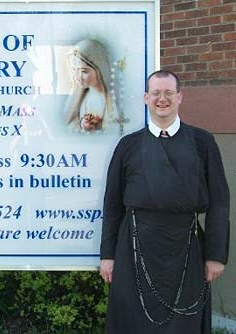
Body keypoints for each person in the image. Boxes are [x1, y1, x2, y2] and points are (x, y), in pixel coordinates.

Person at [99, 70, 230, 334]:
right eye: (156, 93)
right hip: (133, 245)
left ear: (180, 97)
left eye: (169, 93)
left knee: (184, 324)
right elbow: (112, 204)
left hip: (187, 245)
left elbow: (219, 202)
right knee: (132, 321)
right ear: (146, 98)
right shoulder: (128, 145)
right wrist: (108, 255)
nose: (162, 99)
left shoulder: (203, 142)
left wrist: (215, 256)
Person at [65, 39, 117, 132]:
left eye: (84, 71)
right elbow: (70, 123)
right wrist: (82, 124)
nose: (77, 77)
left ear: (100, 69)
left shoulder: (111, 101)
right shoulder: (83, 96)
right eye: (74, 70)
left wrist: (97, 127)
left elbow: (114, 129)